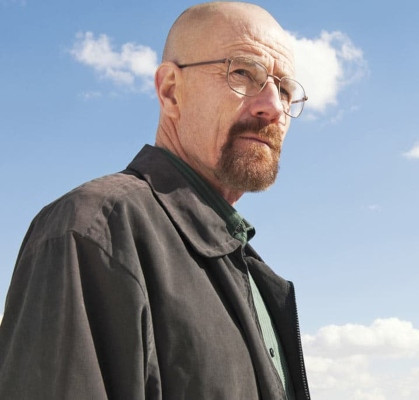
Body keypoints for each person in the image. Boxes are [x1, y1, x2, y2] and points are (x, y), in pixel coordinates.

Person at [0, 2, 310, 399]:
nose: (273, 106)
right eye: (243, 73)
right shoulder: (93, 230)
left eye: (284, 90)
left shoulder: (250, 272)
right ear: (170, 91)